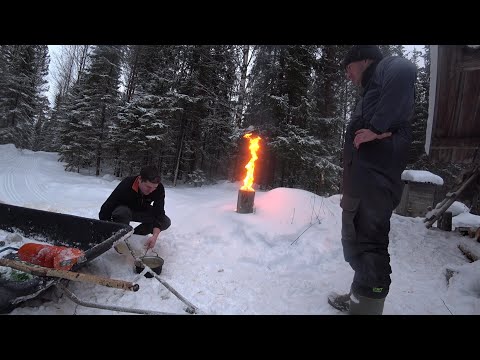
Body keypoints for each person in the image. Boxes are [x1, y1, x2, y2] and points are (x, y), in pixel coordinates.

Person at [327, 45, 417, 315]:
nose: (347, 75)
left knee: (370, 242)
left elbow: (405, 69)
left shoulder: (385, 67)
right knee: (355, 240)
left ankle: (366, 308)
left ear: (365, 60)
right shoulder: (371, 90)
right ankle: (360, 297)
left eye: (348, 68)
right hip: (361, 181)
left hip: (375, 182)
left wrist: (378, 128)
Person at [99, 165, 171, 250]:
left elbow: (159, 213)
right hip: (124, 211)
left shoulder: (159, 188)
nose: (151, 191)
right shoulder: (127, 184)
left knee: (165, 221)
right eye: (148, 187)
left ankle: (135, 236)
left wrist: (155, 236)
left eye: (154, 188)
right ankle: (121, 238)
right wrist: (107, 230)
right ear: (140, 179)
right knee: (122, 212)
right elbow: (106, 208)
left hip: (143, 211)